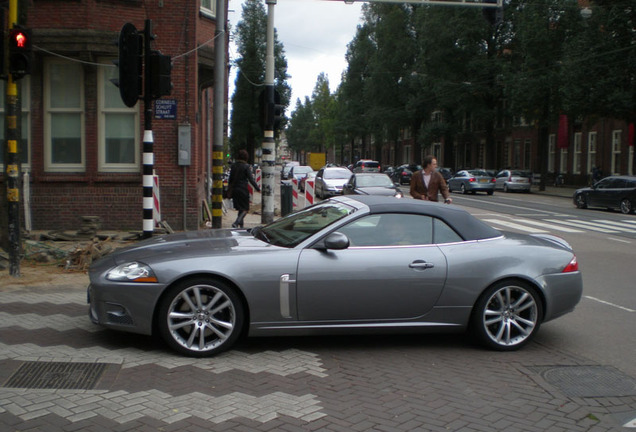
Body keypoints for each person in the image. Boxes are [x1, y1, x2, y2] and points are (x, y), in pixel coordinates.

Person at [227, 149, 261, 228]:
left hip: (235, 190)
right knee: (245, 208)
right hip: (243, 189)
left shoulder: (233, 166)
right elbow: (251, 179)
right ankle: (236, 222)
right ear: (246, 157)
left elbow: (230, 179)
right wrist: (258, 189)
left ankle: (241, 226)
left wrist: (229, 189)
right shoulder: (246, 166)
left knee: (240, 208)